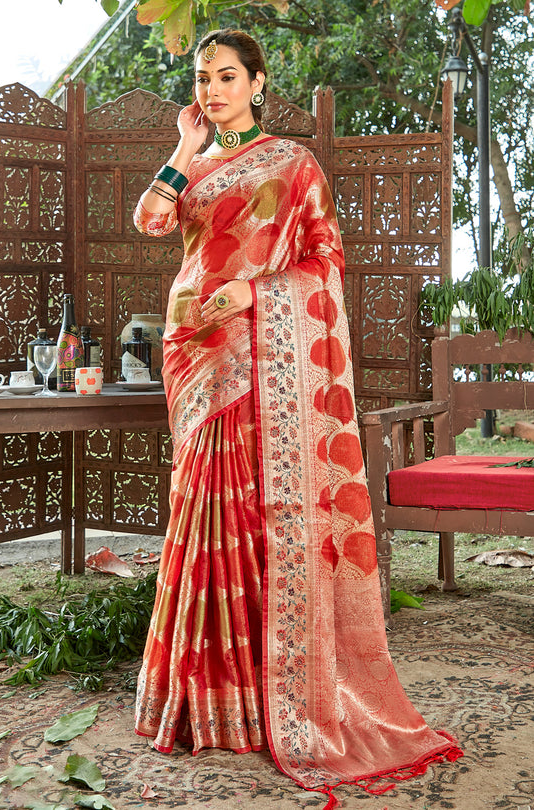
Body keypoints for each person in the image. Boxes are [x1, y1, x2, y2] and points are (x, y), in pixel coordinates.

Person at [133, 27, 463, 807]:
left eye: (226, 77)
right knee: (199, 509)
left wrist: (254, 292)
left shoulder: (292, 163)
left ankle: (259, 697)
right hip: (193, 349)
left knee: (253, 511)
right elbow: (151, 221)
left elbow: (324, 260)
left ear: (257, 83)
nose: (213, 90)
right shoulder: (196, 161)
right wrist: (184, 145)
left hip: (260, 349)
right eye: (203, 78)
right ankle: (197, 699)